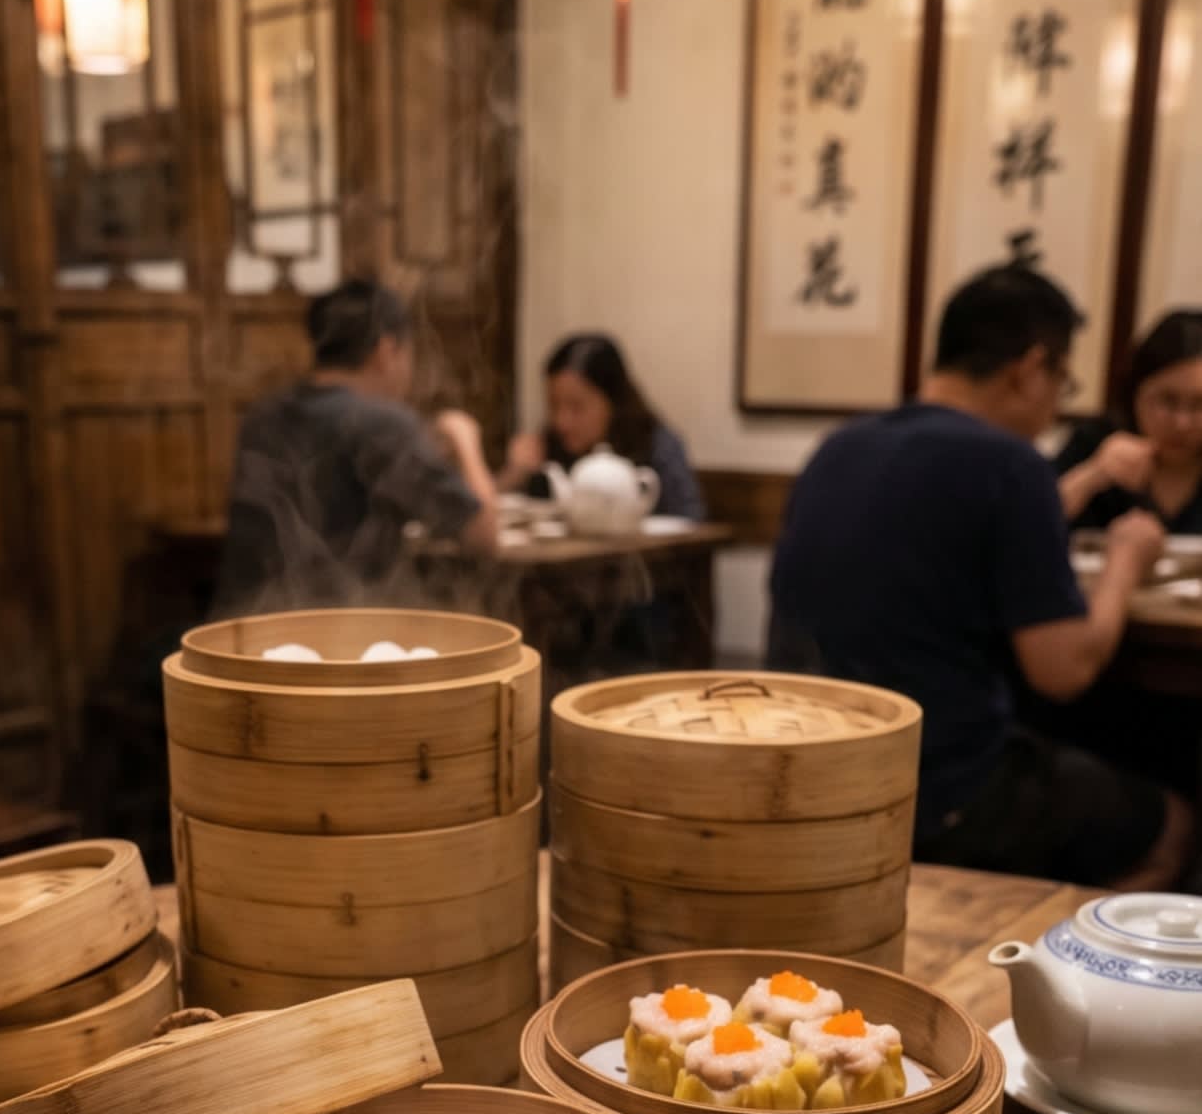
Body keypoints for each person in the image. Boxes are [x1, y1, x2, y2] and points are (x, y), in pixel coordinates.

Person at [767, 264, 1193, 890]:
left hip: (810, 768)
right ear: (1030, 367)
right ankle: (1036, 967)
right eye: (1060, 381)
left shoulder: (841, 445)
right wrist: (1126, 564)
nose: (1055, 406)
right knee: (1176, 826)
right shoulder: (1009, 463)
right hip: (940, 786)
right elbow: (1065, 670)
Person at [216, 278, 498, 611]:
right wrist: (466, 440)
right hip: (340, 633)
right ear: (386, 350)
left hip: (247, 624)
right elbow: (484, 537)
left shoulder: (262, 415)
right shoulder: (382, 423)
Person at [502, 333, 705, 519]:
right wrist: (513, 475)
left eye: (577, 406)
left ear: (614, 403)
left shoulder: (656, 443)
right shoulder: (547, 447)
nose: (561, 421)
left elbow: (691, 522)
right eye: (553, 405)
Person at [1055, 311, 1202, 533]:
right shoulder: (1095, 439)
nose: (1182, 423)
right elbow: (1024, 526)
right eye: (1167, 401)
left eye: (1200, 405)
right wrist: (1093, 474)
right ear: (1134, 393)